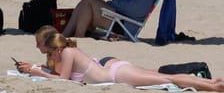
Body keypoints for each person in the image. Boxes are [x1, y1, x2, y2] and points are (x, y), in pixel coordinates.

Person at [18, 25, 223, 91]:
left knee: (167, 79)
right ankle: (212, 82)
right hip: (113, 67)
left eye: (38, 43)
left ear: (48, 44)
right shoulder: (59, 53)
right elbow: (56, 73)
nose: (36, 46)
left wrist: (36, 71)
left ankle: (214, 87)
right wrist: (33, 66)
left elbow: (62, 78)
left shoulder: (67, 52)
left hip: (117, 74)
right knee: (161, 76)